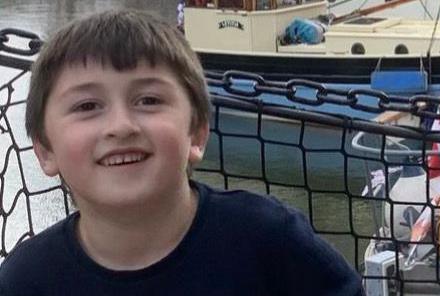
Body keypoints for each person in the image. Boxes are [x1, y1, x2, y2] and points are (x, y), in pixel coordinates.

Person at [0, 10, 364, 295]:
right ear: (45, 149)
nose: (121, 125)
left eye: (149, 100)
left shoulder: (270, 240)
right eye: (87, 106)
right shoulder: (27, 280)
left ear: (196, 133)